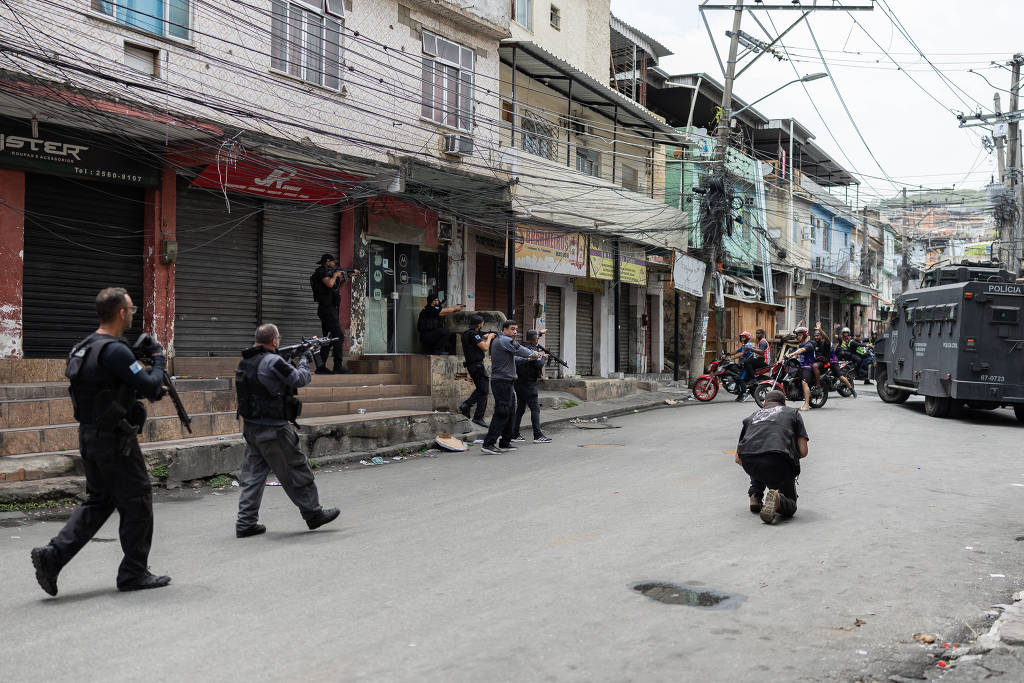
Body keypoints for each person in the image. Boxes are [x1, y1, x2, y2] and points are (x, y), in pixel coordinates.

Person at [31, 287, 171, 596]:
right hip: (115, 440)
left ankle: (53, 556)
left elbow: (108, 388)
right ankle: (134, 572)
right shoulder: (115, 350)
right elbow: (150, 387)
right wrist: (159, 359)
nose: (133, 314)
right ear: (121, 313)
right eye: (131, 309)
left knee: (100, 500)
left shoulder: (82, 347)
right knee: (137, 500)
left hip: (91, 436)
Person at [234, 323, 340, 537]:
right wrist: (304, 360)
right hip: (274, 430)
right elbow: (299, 379)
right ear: (274, 341)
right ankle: (313, 514)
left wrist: (294, 358)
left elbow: (271, 381)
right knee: (297, 470)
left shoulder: (247, 362)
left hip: (252, 429)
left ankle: (245, 523)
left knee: (253, 476)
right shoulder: (272, 361)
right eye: (278, 339)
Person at [736, 390, 809, 524]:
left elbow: (737, 459)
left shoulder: (751, 417)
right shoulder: (792, 413)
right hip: (778, 459)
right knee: (791, 504)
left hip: (748, 461)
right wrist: (789, 457)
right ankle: (779, 500)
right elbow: (803, 451)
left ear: (764, 403)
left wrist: (759, 469)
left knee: (759, 458)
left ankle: (755, 495)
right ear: (784, 403)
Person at [481, 320, 546, 455]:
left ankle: (505, 441)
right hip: (501, 381)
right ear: (504, 330)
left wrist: (528, 359)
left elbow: (515, 359)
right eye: (512, 329)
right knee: (502, 411)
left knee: (511, 411)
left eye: (516, 329)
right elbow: (520, 350)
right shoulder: (505, 340)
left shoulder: (502, 340)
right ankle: (488, 443)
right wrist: (534, 354)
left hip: (508, 381)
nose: (515, 332)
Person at [311, 253, 358, 374]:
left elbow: (335, 288)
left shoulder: (330, 274)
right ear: (327, 262)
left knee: (328, 339)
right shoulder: (321, 273)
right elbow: (330, 284)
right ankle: (338, 366)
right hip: (326, 309)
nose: (334, 264)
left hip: (330, 308)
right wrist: (336, 274)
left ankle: (321, 367)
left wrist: (347, 277)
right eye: (332, 262)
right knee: (339, 337)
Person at [512, 329, 552, 444]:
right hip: (528, 384)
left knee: (520, 409)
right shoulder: (532, 350)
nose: (538, 339)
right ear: (535, 339)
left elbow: (533, 336)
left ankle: (515, 433)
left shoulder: (521, 347)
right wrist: (544, 357)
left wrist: (541, 332)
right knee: (535, 409)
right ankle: (538, 435)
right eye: (537, 338)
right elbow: (539, 363)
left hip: (518, 383)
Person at [459, 315, 496, 429]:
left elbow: (481, 336)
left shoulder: (467, 333)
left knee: (481, 390)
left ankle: (467, 405)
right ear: (479, 324)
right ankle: (477, 417)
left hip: (473, 366)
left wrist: (488, 334)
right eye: (482, 323)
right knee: (484, 391)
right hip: (477, 366)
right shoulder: (473, 334)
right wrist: (489, 338)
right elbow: (485, 347)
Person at [787, 325, 816, 411]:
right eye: (797, 335)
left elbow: (802, 350)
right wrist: (791, 357)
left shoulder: (809, 345)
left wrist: (793, 353)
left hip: (808, 367)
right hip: (801, 367)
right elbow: (797, 355)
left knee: (804, 382)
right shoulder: (800, 345)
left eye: (799, 335)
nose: (797, 336)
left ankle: (806, 404)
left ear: (804, 335)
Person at [729, 331, 757, 402]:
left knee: (741, 378)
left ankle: (744, 394)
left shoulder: (749, 345)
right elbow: (737, 351)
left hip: (746, 365)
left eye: (744, 337)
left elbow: (741, 354)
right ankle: (740, 393)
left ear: (747, 338)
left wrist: (731, 358)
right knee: (736, 377)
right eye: (741, 337)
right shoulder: (744, 345)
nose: (742, 339)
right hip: (742, 364)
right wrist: (728, 354)